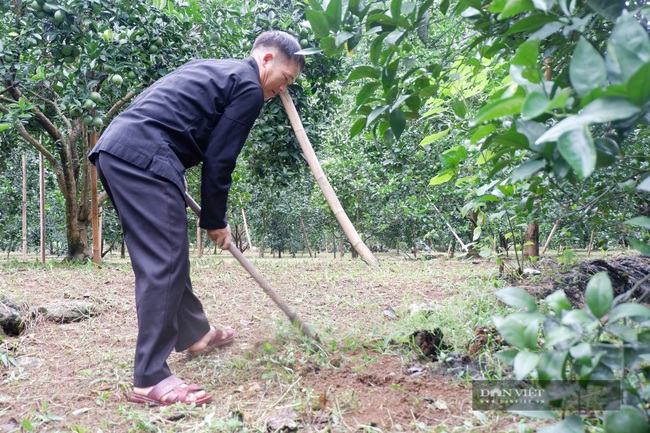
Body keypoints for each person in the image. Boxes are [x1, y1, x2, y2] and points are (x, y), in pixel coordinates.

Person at [89, 31, 305, 406]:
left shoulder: (216, 70)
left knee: (169, 254)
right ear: (267, 59)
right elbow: (220, 159)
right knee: (165, 261)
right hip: (144, 156)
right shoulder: (249, 86)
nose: (279, 91)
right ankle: (150, 378)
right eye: (284, 79)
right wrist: (216, 220)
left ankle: (195, 334)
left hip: (121, 150)